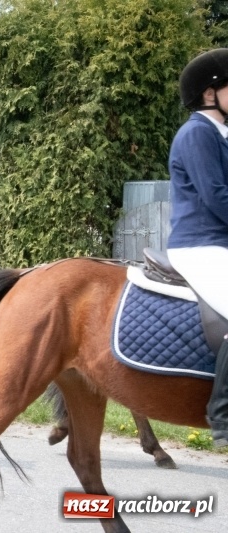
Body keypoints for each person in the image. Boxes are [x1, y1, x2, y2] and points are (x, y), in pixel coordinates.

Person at [167, 48, 228, 449]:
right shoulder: (196, 134)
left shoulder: (220, 134)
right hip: (200, 244)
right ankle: (222, 415)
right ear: (211, 94)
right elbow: (217, 197)